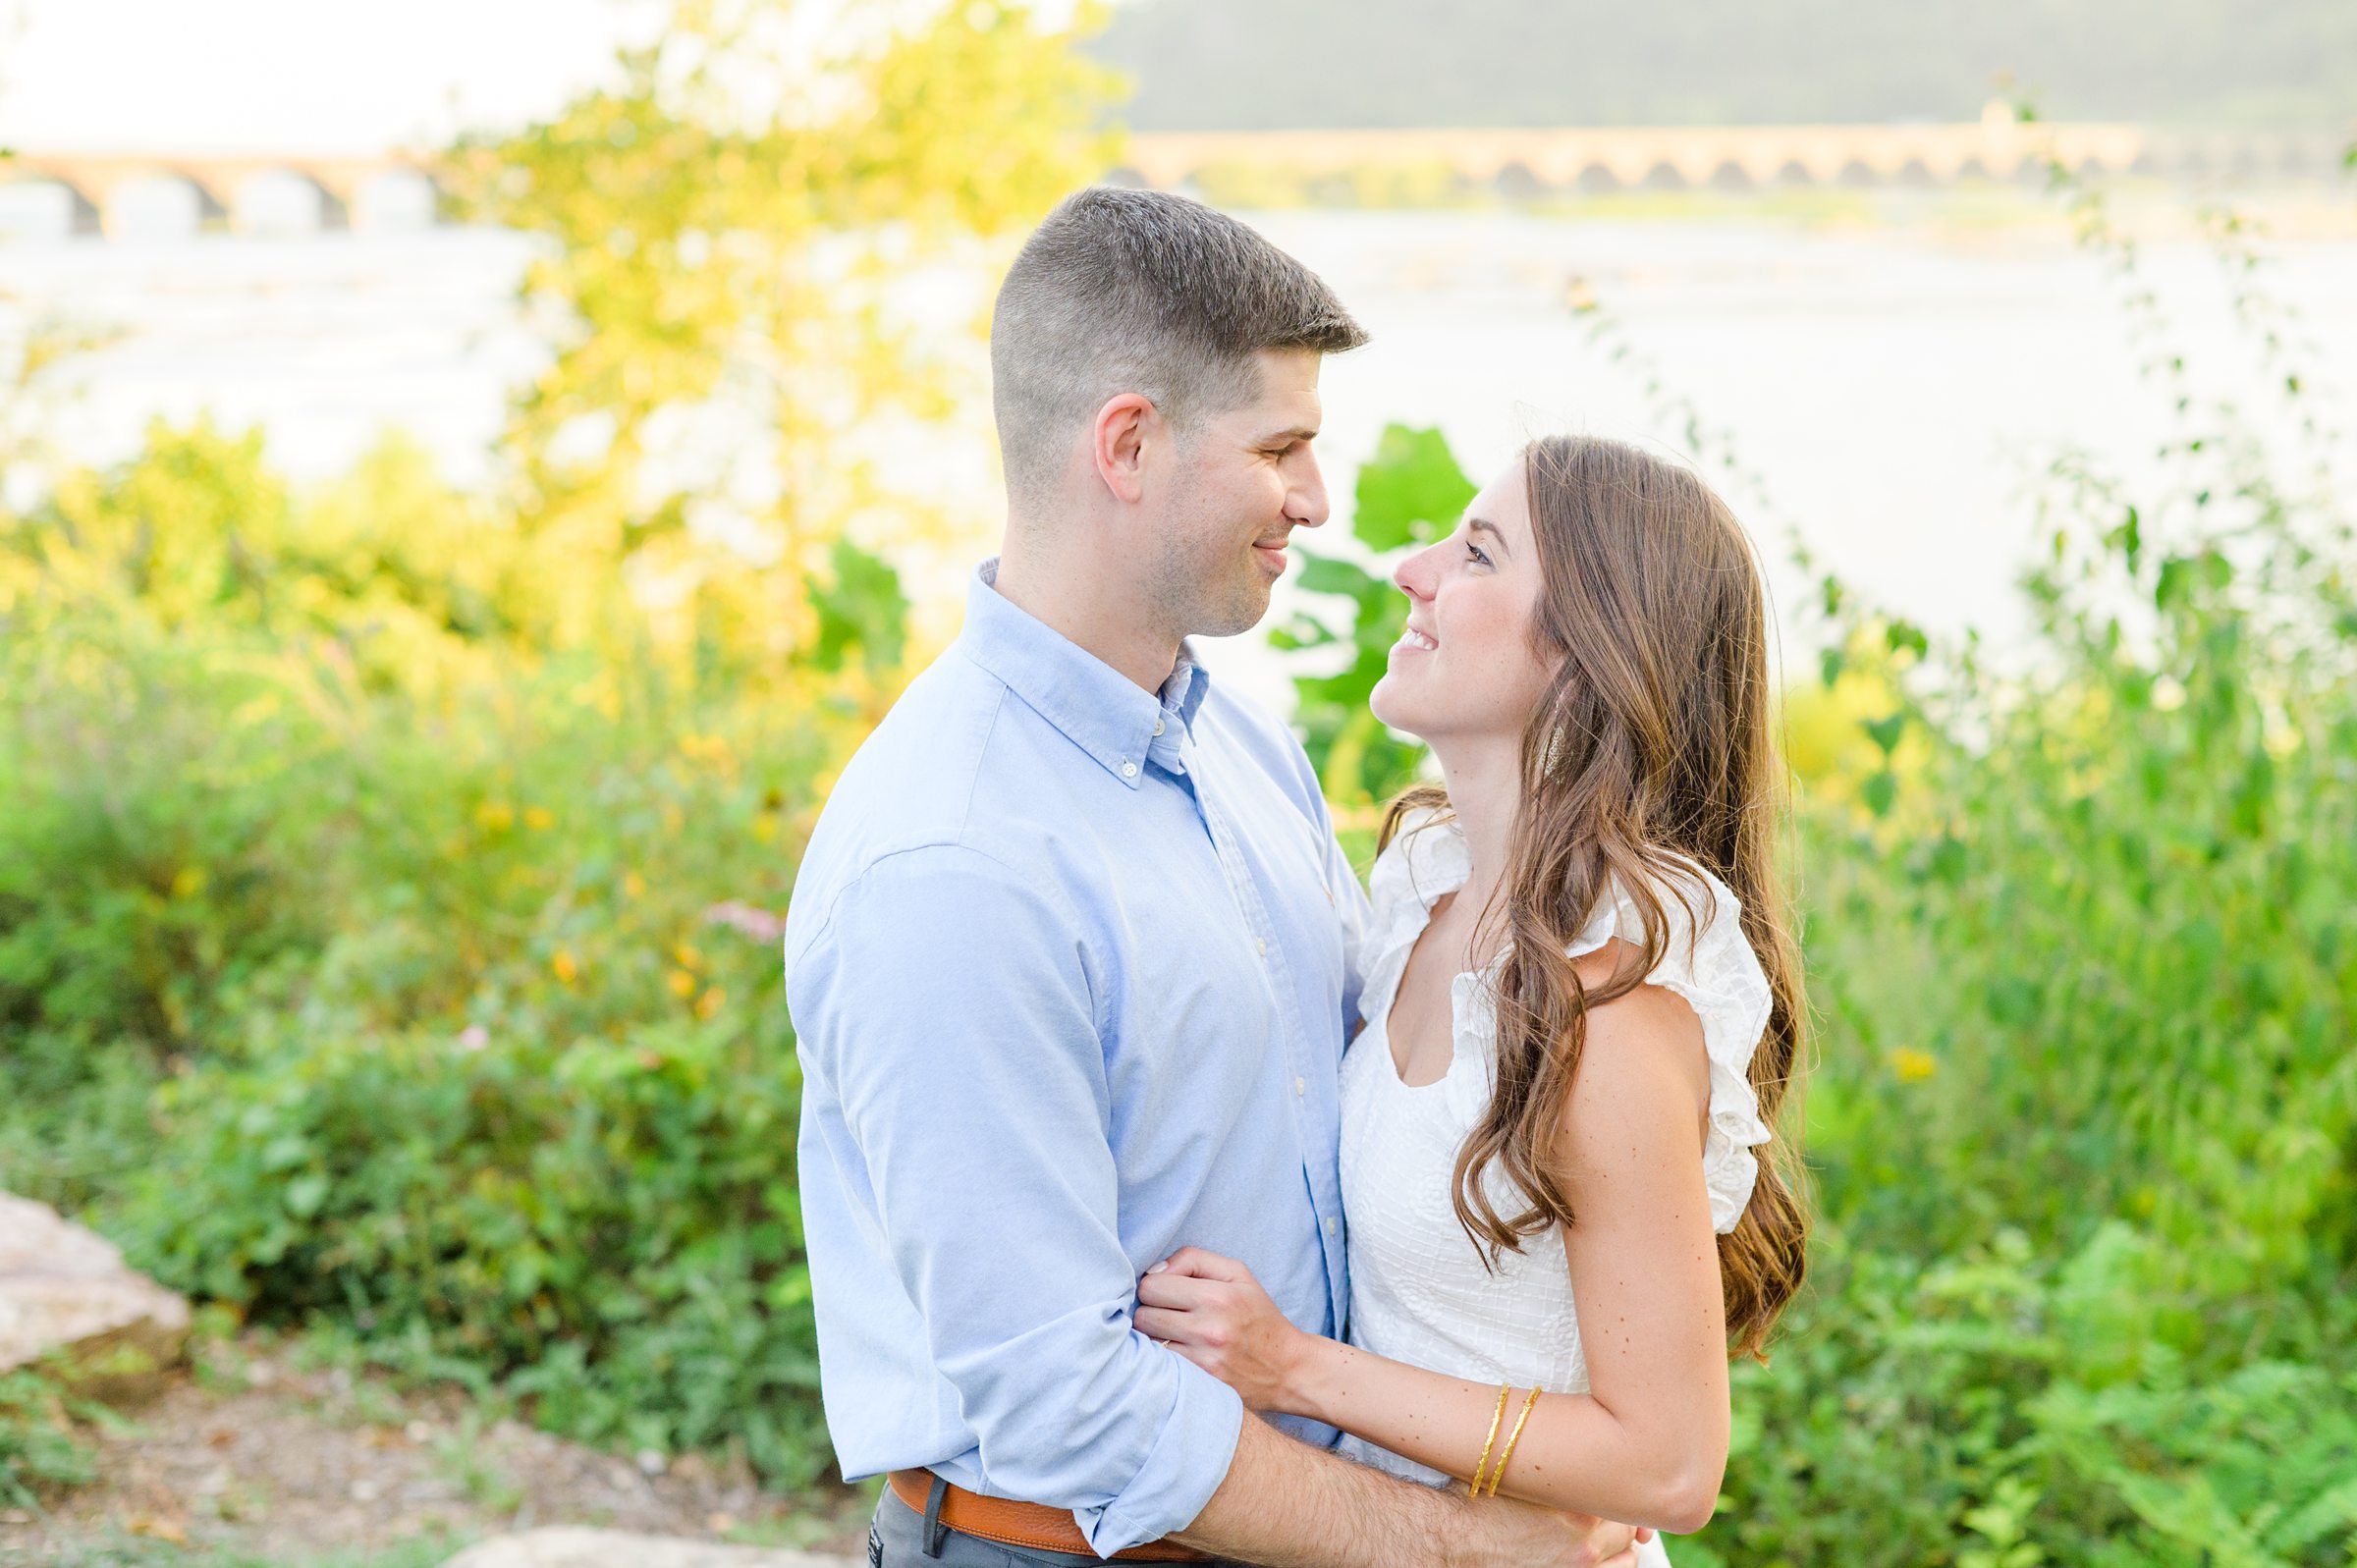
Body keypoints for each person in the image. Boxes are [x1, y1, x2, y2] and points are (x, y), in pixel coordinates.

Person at [786, 188, 1648, 1568]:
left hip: (1311, 1528)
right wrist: (1459, 1550)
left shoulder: (1246, 749)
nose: (1315, 497)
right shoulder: (952, 864)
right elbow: (1065, 1403)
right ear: (1129, 444)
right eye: (1283, 447)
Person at [1132, 436, 1810, 1564]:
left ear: (1588, 659)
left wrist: (1296, 1367)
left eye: (1479, 554)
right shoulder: (1423, 898)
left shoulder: (1613, 1007)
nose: (1414, 566)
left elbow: (1671, 1465)